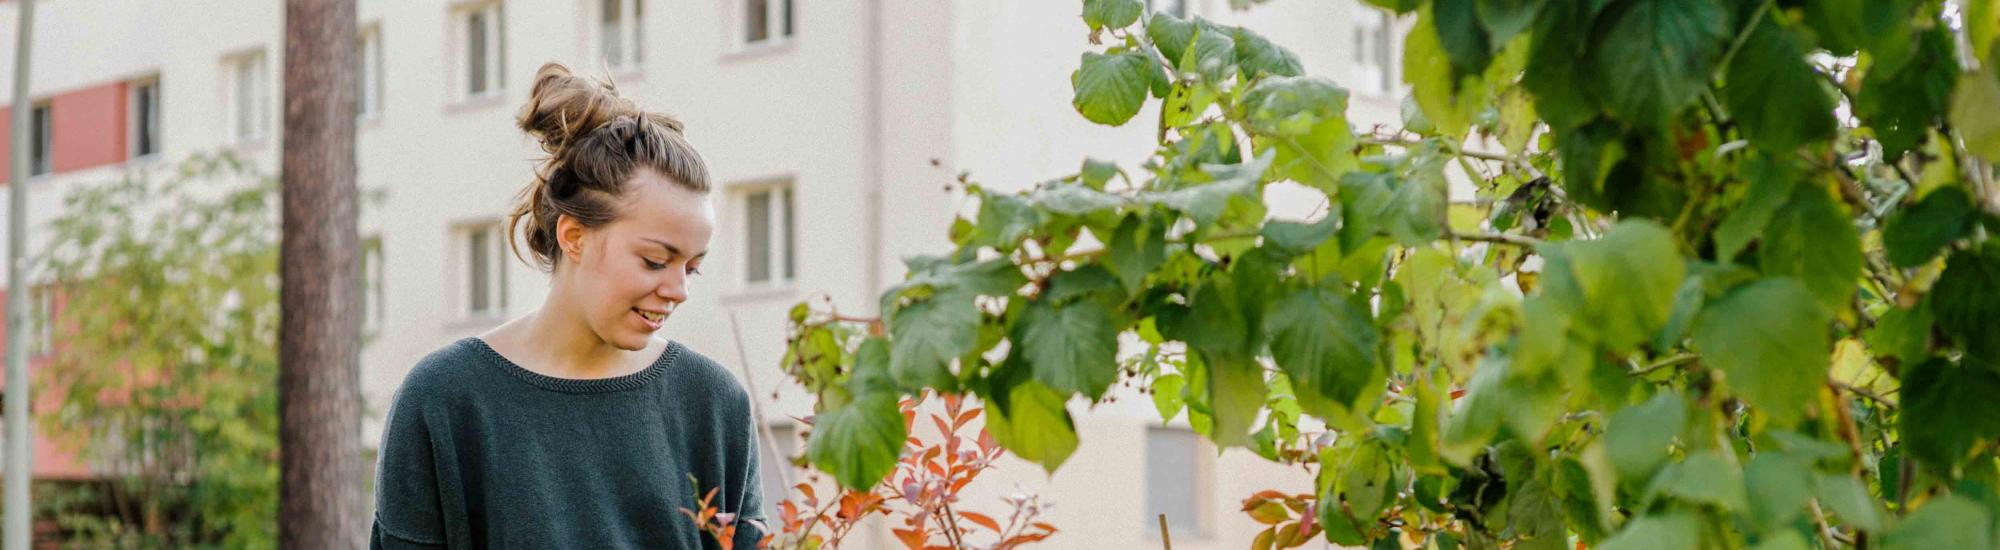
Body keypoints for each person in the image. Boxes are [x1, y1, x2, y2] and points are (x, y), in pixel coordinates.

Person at [369, 61, 765, 549]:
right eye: (655, 261)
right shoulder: (446, 398)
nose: (678, 290)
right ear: (574, 236)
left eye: (692, 267)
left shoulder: (714, 404)